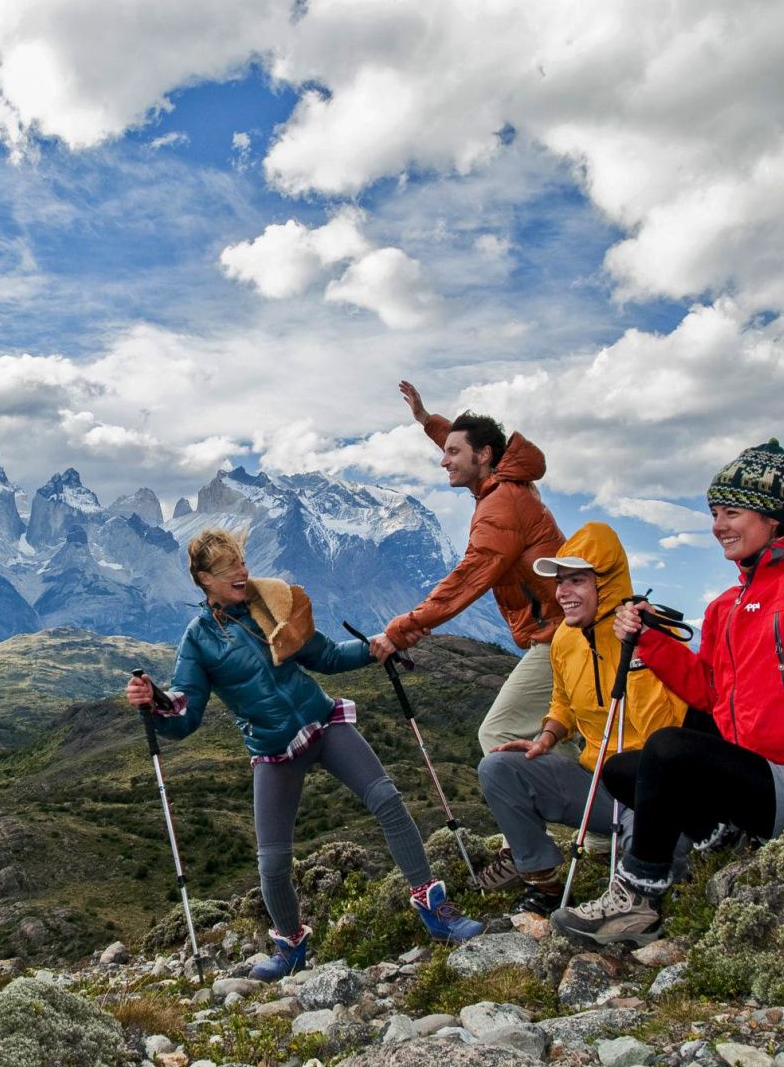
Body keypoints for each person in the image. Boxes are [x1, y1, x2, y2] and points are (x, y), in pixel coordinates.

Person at [125, 527, 483, 980]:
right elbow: (185, 716)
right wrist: (154, 701)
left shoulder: (270, 601)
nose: (241, 571)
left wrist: (378, 648)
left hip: (322, 723)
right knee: (273, 863)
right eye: (227, 567)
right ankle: (290, 947)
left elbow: (327, 655)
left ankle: (435, 911)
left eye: (241, 561)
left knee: (388, 801)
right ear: (203, 579)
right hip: (274, 752)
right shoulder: (197, 641)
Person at [552, 441, 784, 947]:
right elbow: (708, 692)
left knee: (669, 747)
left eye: (734, 512)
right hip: (756, 785)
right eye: (714, 513)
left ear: (774, 517)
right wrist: (650, 639)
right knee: (622, 769)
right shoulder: (726, 607)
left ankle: (637, 899)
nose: (719, 525)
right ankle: (720, 838)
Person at [474, 522, 689, 915]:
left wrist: (639, 653)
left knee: (665, 865)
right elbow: (563, 702)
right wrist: (548, 735)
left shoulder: (655, 635)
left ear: (605, 585)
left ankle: (645, 892)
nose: (562, 593)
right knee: (498, 768)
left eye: (576, 581)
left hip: (652, 793)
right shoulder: (565, 639)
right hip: (597, 787)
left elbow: (666, 730)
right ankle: (544, 881)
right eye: (560, 582)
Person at [369, 383, 566, 755]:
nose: (444, 461)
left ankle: (590, 809)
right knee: (560, 740)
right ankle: (596, 804)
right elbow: (463, 445)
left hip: (558, 637)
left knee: (497, 734)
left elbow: (468, 579)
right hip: (563, 631)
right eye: (445, 451)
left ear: (485, 455)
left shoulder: (500, 505)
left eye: (453, 453)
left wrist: (400, 630)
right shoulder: (505, 482)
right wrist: (427, 421)